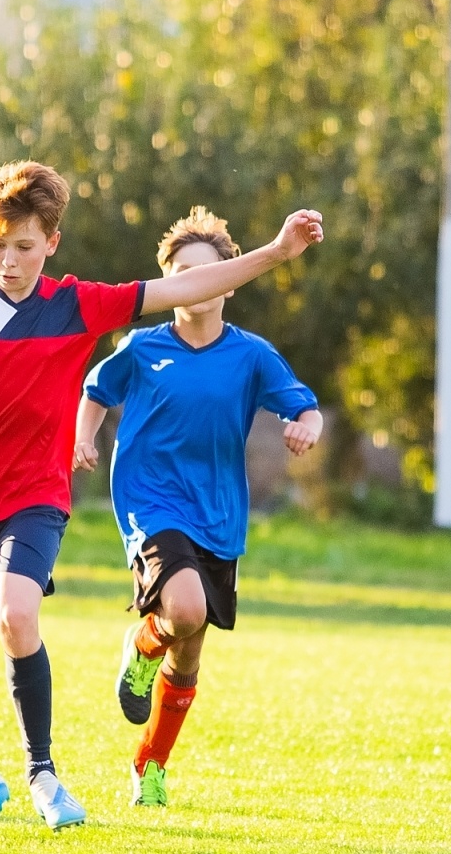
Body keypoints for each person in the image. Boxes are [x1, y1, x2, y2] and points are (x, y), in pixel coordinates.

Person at [0, 162, 323, 836]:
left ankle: (42, 772)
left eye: (25, 247)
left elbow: (185, 286)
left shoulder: (79, 306)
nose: (9, 262)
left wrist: (274, 253)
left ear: (52, 244)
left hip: (35, 497)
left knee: (17, 615)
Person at [74, 206, 323, 809]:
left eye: (203, 272)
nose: (191, 283)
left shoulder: (251, 355)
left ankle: (149, 766)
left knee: (188, 656)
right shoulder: (142, 346)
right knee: (184, 610)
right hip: (151, 500)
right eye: (180, 272)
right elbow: (96, 391)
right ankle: (142, 645)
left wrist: (307, 426)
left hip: (218, 515)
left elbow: (303, 405)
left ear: (228, 282)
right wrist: (84, 435)